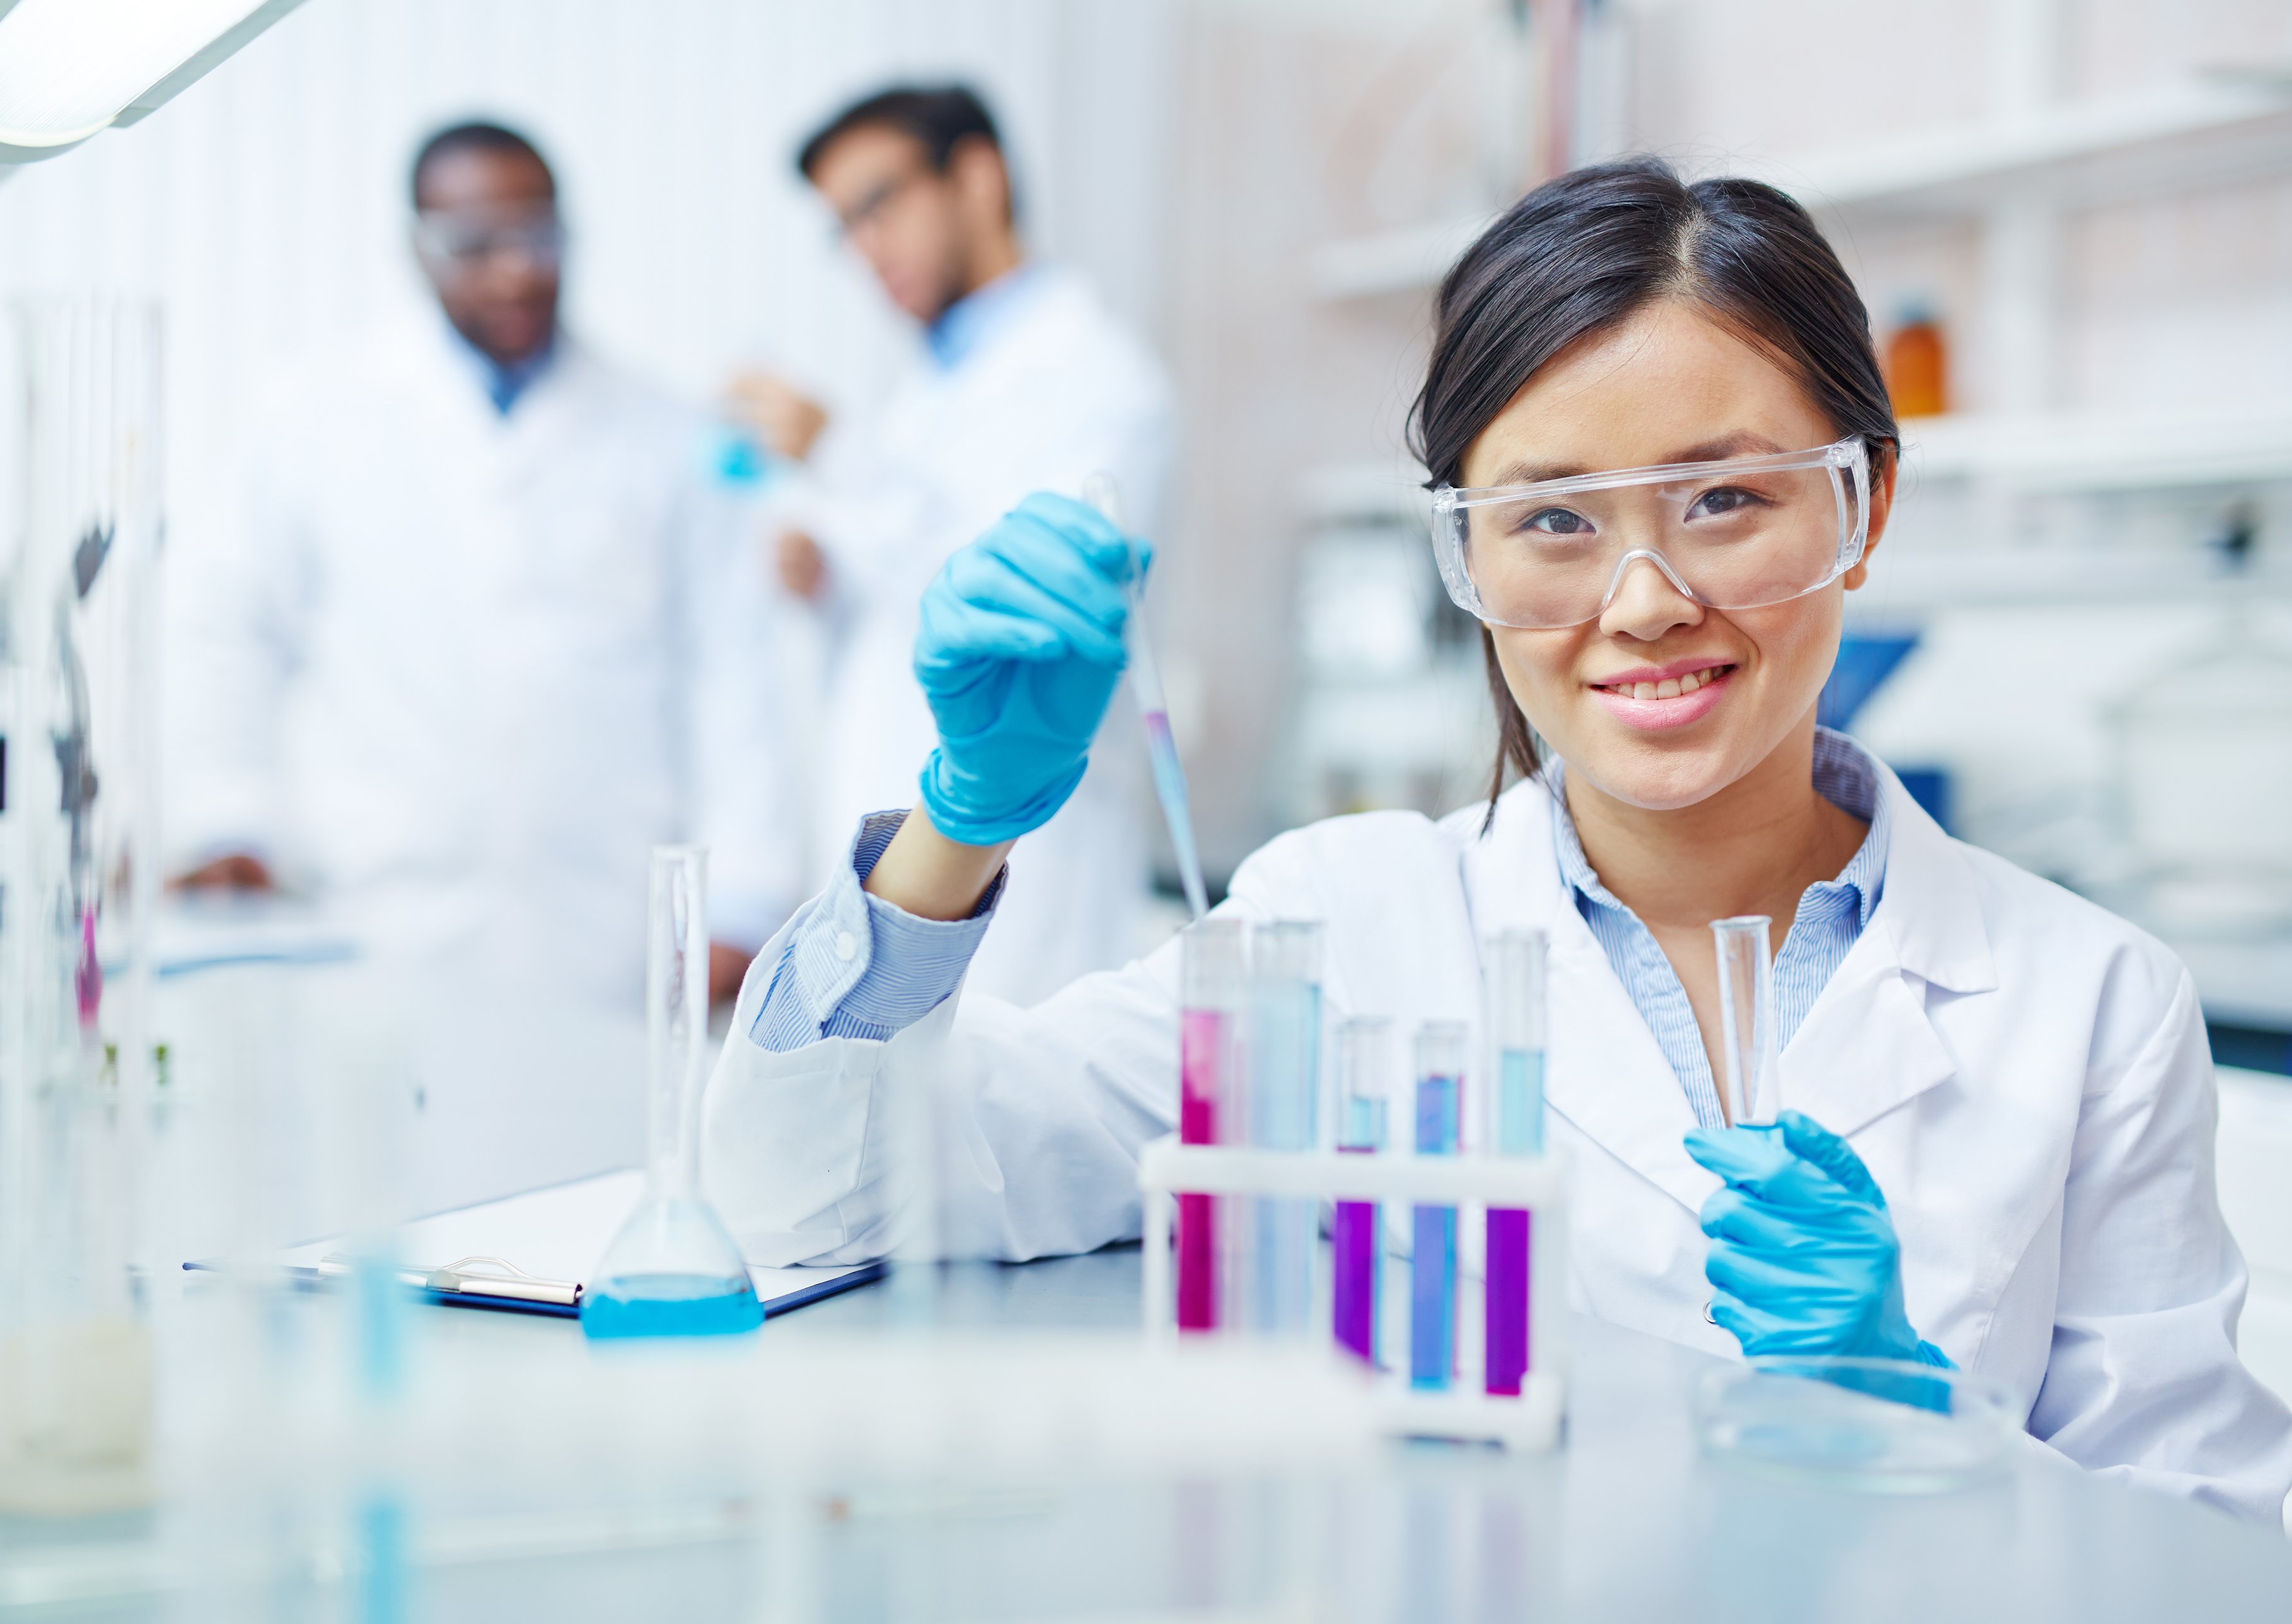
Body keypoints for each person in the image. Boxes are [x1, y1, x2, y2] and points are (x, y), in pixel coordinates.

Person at [701, 159, 2292, 1523]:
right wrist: (961, 817)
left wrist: (1923, 1419)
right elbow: (818, 1201)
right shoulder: (1340, 925)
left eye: (1726, 499)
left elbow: (2209, 1550)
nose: (1645, 600)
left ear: (1864, 502)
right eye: (1553, 520)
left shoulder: (2090, 1000)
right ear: (1465, 552)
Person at [168, 122, 794, 1006]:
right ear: (417, 249)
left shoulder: (667, 434)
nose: (516, 271)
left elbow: (732, 670)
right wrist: (228, 815)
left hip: (605, 923)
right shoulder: (311, 416)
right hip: (372, 907)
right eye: (475, 245)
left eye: (539, 237)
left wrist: (745, 899)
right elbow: (229, 627)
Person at [724, 84, 1175, 1007]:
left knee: (996, 1082)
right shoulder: (928, 392)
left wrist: (840, 464)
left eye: (879, 204)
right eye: (844, 227)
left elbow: (1023, 613)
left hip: (1028, 885)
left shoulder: (1103, 385)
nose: (865, 248)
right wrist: (831, 577)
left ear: (977, 176)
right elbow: (915, 596)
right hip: (904, 862)